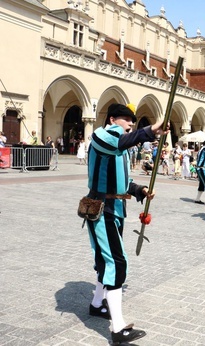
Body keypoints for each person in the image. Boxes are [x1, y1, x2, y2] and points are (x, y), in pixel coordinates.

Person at [84, 103, 168, 344]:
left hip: (115, 208)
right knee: (116, 262)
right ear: (112, 119)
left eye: (133, 121)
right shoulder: (102, 136)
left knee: (105, 258)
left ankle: (97, 303)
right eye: (126, 119)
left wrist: (139, 189)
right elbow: (124, 141)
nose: (131, 124)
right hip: (101, 208)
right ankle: (118, 328)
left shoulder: (119, 147)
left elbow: (123, 181)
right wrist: (151, 130)